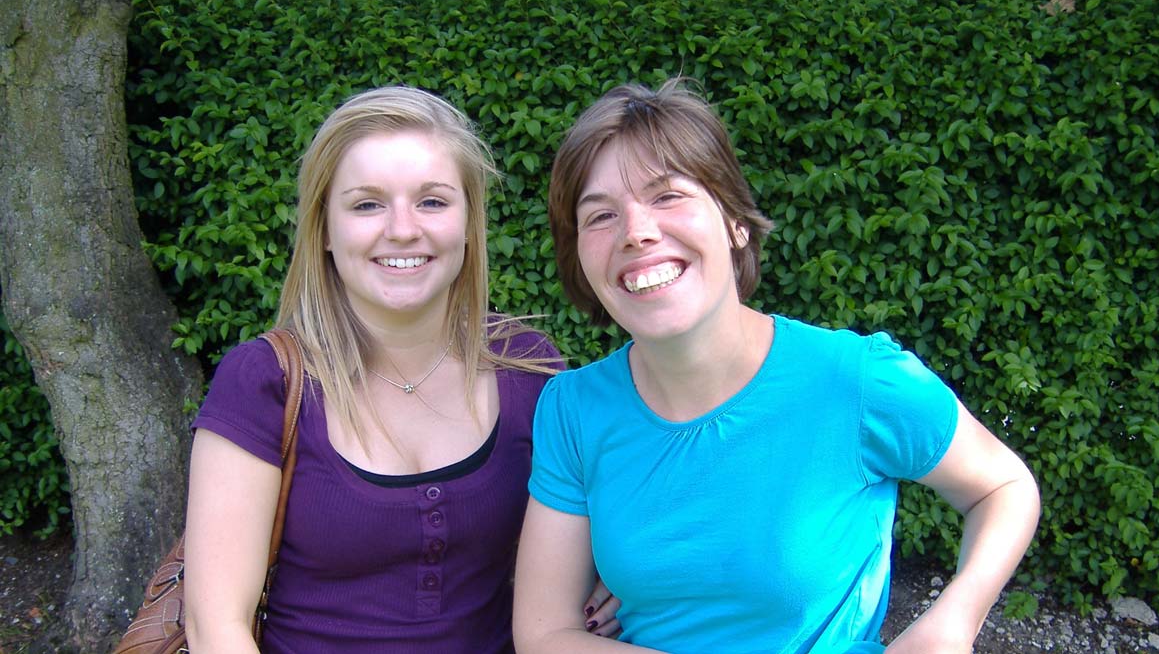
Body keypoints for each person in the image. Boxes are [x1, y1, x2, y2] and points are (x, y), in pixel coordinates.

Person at [513, 79, 1041, 654]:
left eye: (667, 196)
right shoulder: (573, 409)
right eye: (599, 216)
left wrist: (953, 620)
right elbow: (544, 634)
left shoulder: (855, 380)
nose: (637, 232)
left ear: (735, 220)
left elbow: (1004, 487)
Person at [183, 85, 618, 653]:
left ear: (468, 222)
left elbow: (590, 518)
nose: (403, 229)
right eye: (367, 204)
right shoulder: (265, 382)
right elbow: (215, 626)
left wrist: (618, 567)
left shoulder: (529, 367)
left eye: (433, 201)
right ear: (324, 231)